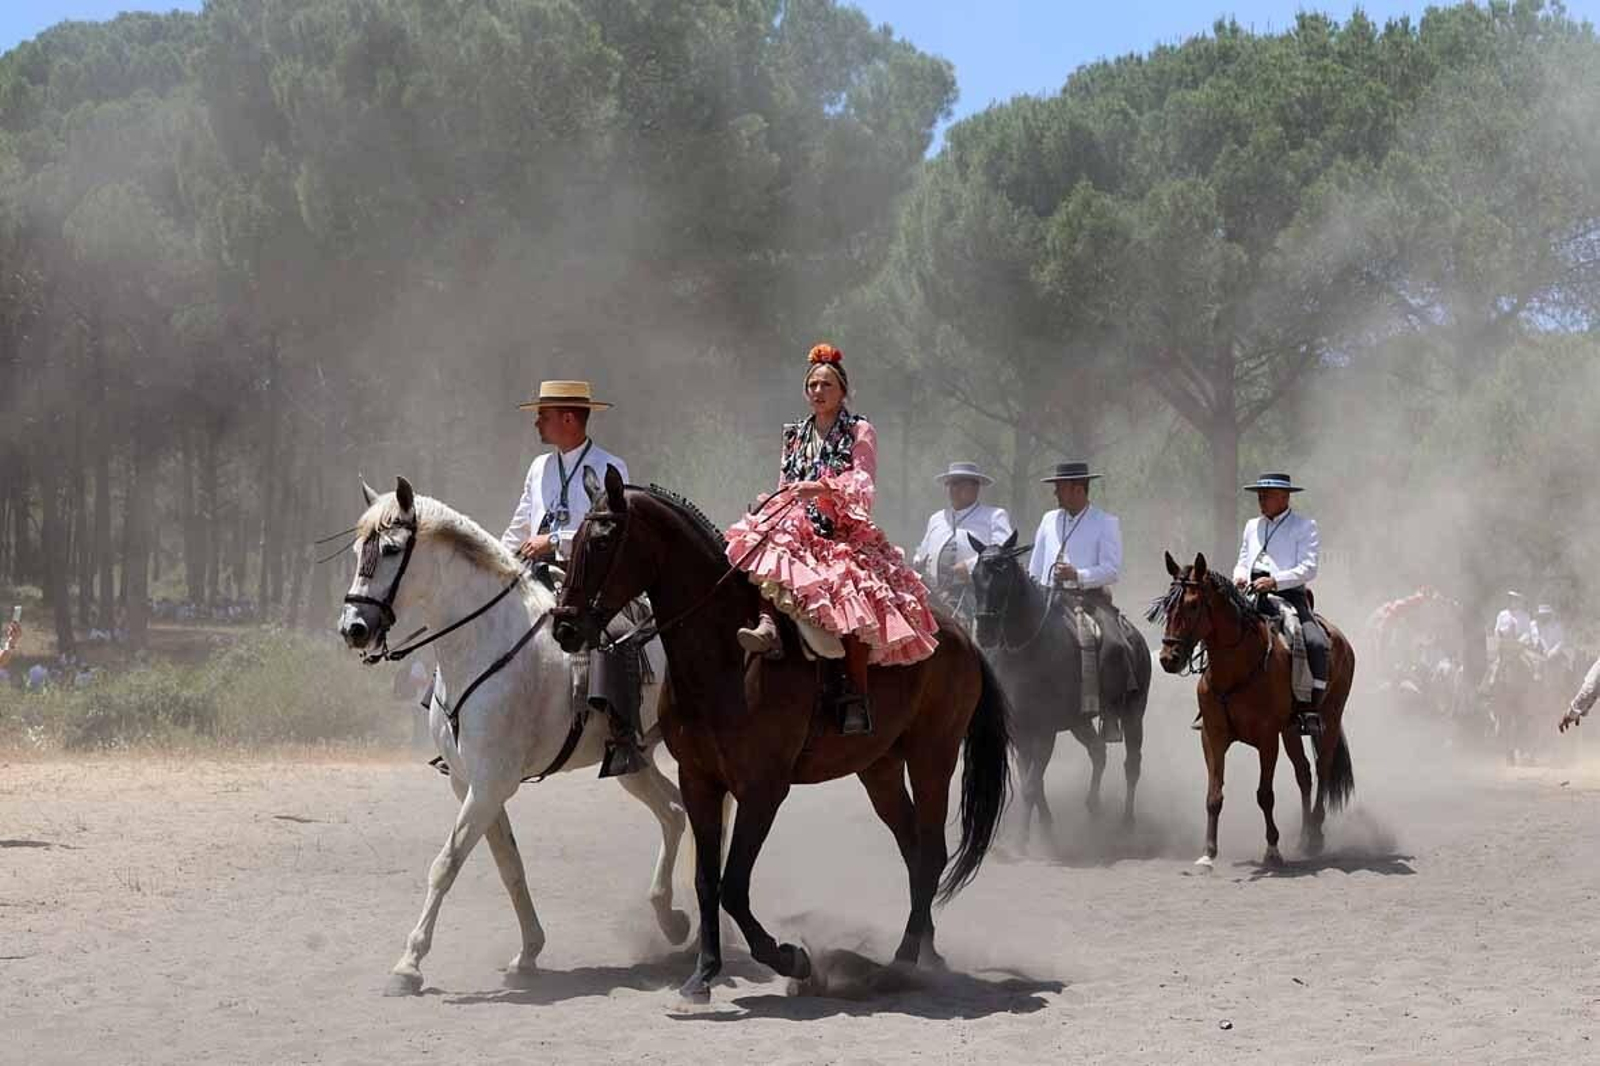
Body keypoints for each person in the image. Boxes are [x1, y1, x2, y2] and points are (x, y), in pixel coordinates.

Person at [728, 343, 938, 736]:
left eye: (826, 384)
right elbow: (785, 484)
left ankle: (854, 693)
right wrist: (773, 501)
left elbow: (863, 484)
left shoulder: (859, 430)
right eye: (812, 385)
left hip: (841, 527)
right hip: (794, 522)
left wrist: (821, 490)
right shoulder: (794, 434)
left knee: (856, 589)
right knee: (758, 540)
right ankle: (767, 625)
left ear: (843, 391)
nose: (817, 392)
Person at [501, 378, 643, 776]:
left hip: (587, 578)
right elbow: (520, 521)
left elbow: (610, 532)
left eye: (542, 417)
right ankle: (457, 725)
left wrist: (556, 542)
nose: (536, 425)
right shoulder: (538, 467)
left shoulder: (611, 466)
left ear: (567, 418)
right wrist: (493, 557)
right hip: (532, 569)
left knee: (617, 633)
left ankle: (622, 733)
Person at [1026, 461, 1136, 741]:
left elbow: (1112, 569)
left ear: (1078, 489)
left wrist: (1078, 574)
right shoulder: (1048, 519)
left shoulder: (1105, 522)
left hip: (1089, 599)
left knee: (1114, 644)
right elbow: (1035, 567)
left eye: (1059, 488)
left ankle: (1111, 713)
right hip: (1049, 597)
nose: (1055, 494)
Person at [1234, 472, 1327, 734]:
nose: (1261, 500)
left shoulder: (1304, 525)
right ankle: (1213, 700)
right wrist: (1240, 577)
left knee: (1314, 641)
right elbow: (1243, 560)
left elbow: (1308, 568)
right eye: (1259, 495)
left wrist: (1274, 581)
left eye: (1267, 495)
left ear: (1285, 497)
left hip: (1288, 593)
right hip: (1251, 592)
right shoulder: (1252, 525)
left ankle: (1311, 708)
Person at [911, 461, 1013, 617]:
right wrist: (917, 560)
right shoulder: (937, 518)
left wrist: (971, 566)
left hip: (976, 597)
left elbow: (1003, 552)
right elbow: (923, 550)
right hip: (936, 596)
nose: (953, 490)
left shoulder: (994, 516)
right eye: (951, 485)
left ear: (975, 488)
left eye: (959, 484)